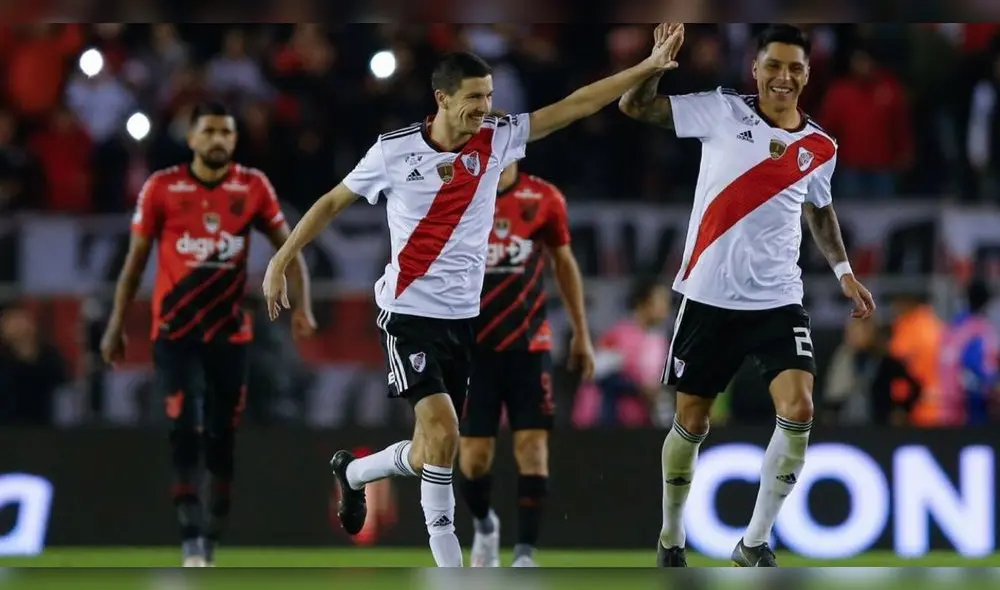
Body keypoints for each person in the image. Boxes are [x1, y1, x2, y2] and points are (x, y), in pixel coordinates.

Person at [262, 37, 685, 568]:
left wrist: (644, 67)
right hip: (408, 314)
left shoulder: (499, 139)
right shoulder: (394, 151)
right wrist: (281, 259)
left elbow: (576, 105)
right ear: (440, 98)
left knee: (428, 450)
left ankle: (354, 474)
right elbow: (331, 202)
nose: (485, 108)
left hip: (464, 321)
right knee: (445, 433)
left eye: (488, 97)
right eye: (474, 98)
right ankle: (453, 571)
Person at [618, 24, 875, 567]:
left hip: (778, 300)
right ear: (754, 69)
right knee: (692, 424)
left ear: (808, 74)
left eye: (795, 68)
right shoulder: (720, 111)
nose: (783, 77)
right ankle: (670, 536)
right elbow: (634, 108)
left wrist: (844, 270)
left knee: (800, 408)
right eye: (773, 66)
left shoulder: (819, 146)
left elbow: (819, 208)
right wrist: (652, 68)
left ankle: (753, 542)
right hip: (707, 297)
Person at [100, 101, 316, 567]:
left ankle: (213, 526)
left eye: (227, 132)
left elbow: (291, 248)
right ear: (192, 138)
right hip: (175, 332)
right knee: (184, 428)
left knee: (221, 435)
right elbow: (134, 263)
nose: (219, 139)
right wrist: (117, 324)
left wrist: (304, 306)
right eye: (211, 131)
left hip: (230, 335)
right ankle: (190, 532)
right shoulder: (162, 188)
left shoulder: (252, 186)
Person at [460, 155, 595, 568]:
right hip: (473, 349)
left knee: (533, 448)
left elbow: (563, 263)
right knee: (473, 458)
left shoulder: (544, 197)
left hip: (529, 346)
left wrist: (581, 334)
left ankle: (524, 554)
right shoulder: (461, 195)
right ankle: (485, 526)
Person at [572, 277, 672, 428]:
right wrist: (637, 387)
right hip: (603, 422)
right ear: (643, 303)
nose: (666, 307)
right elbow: (596, 372)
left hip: (639, 422)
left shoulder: (660, 342)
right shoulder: (618, 335)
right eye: (661, 301)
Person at [940, 280, 998, 425]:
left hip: (946, 403)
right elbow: (975, 368)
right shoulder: (980, 329)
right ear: (987, 302)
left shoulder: (953, 326)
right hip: (971, 405)